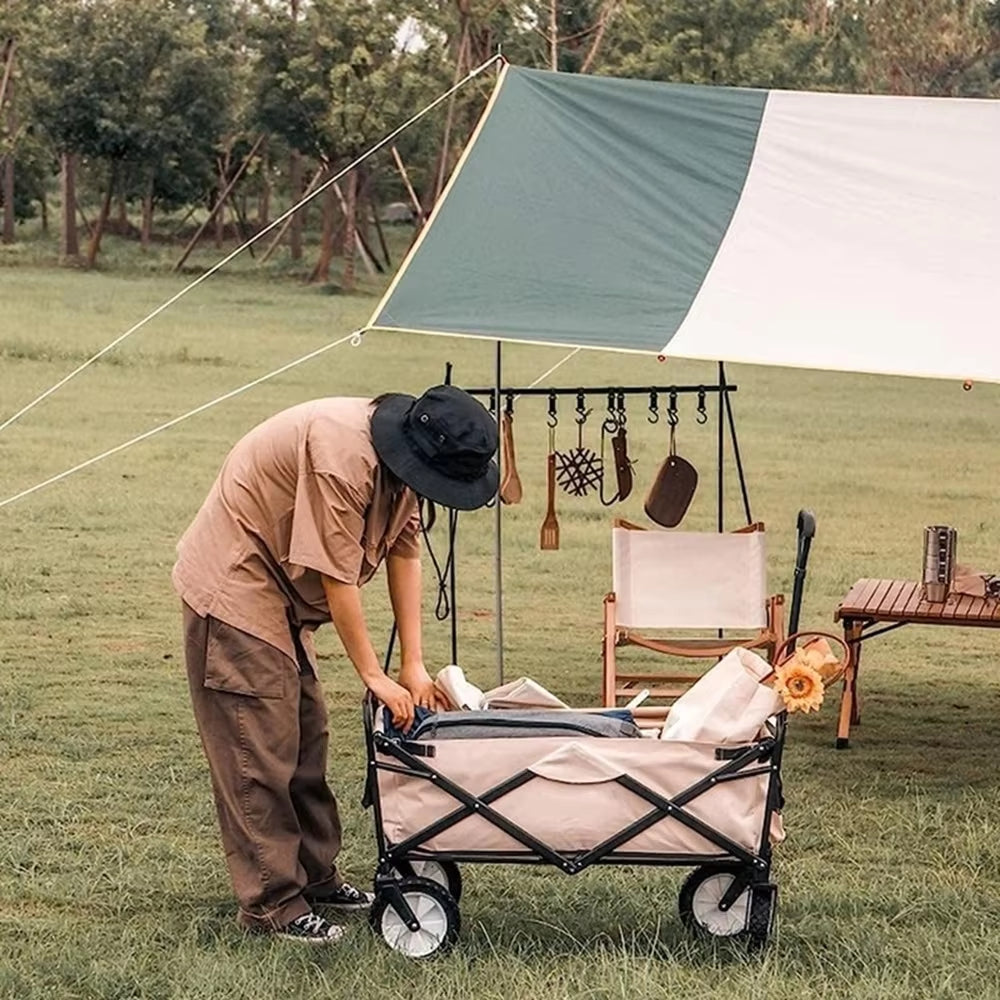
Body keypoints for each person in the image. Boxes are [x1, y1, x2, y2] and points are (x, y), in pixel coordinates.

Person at [172, 385, 498, 944]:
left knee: (306, 736)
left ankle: (317, 880)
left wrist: (414, 666)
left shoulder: (403, 464)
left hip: (282, 602)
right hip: (237, 590)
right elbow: (337, 577)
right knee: (261, 750)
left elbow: (405, 552)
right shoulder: (342, 457)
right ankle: (273, 905)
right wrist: (373, 674)